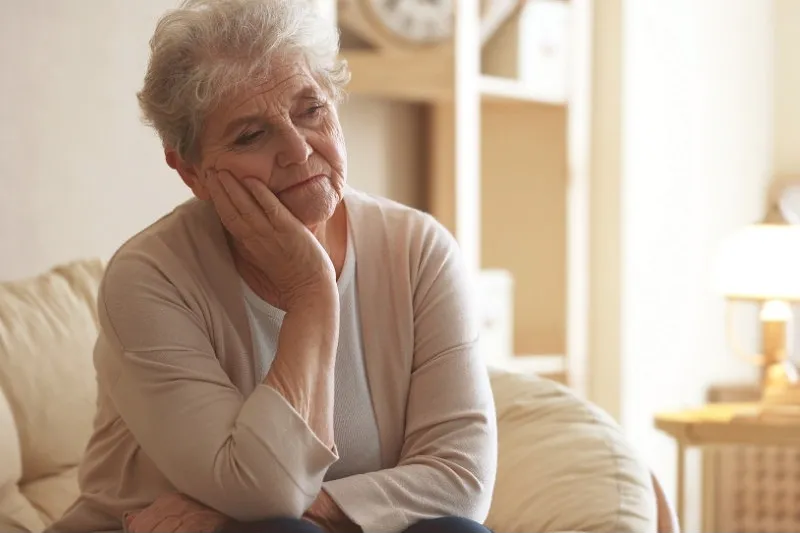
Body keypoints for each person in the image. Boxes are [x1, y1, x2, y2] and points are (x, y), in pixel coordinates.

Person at [48, 0, 497, 532]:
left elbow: (462, 481)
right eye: (250, 135)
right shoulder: (150, 278)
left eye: (310, 110)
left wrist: (232, 516)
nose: (298, 151)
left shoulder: (417, 250)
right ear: (189, 169)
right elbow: (270, 494)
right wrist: (311, 294)